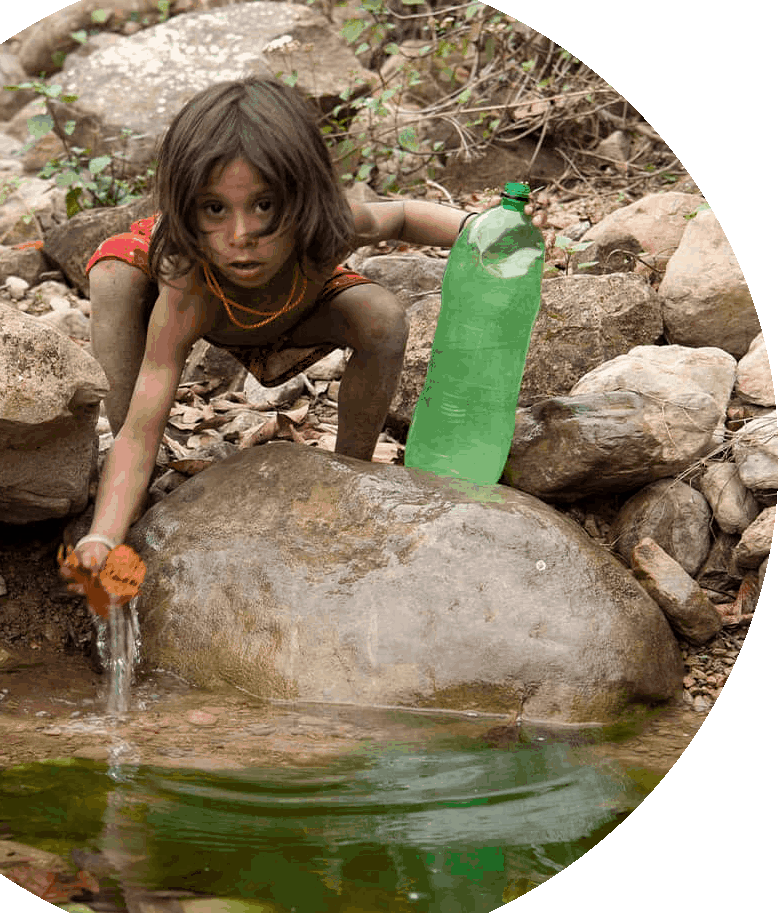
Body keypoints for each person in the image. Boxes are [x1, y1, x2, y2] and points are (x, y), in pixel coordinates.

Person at [73, 76, 547, 573]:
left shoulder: (328, 228)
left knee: (381, 315)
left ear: (302, 198)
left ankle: (351, 470)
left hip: (295, 308)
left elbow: (404, 215)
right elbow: (141, 429)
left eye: (265, 205)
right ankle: (130, 488)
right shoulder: (185, 280)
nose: (242, 234)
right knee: (112, 274)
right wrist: (103, 537)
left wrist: (483, 230)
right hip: (213, 304)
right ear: (188, 209)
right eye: (215, 208)